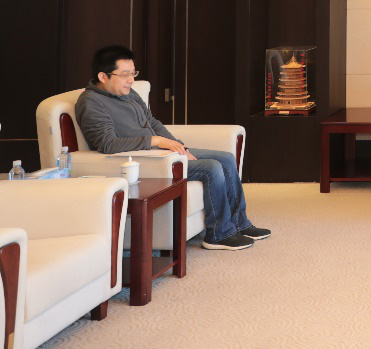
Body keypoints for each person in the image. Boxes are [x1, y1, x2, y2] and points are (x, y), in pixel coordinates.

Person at [74, 45, 269, 251]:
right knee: (211, 168)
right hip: (142, 160)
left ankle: (240, 223)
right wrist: (156, 141)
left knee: (227, 158)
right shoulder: (91, 102)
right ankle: (219, 234)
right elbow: (108, 144)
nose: (131, 80)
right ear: (103, 76)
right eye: (124, 75)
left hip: (159, 152)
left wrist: (178, 147)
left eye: (133, 73)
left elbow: (152, 122)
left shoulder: (129, 93)